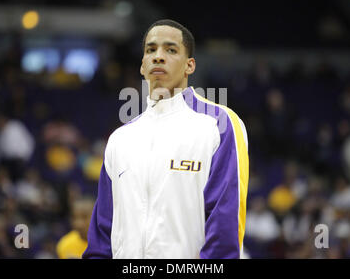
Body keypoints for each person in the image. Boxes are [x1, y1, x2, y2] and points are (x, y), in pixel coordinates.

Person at [83, 19, 249, 259]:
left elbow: (225, 222)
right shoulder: (120, 140)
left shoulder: (219, 124)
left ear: (189, 65)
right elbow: (102, 233)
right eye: (151, 50)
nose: (158, 57)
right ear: (142, 65)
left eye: (171, 50)